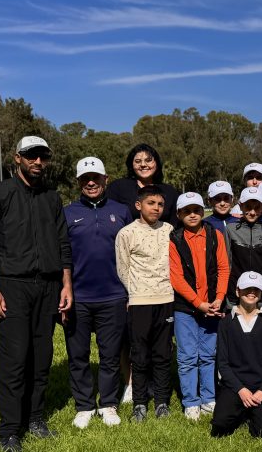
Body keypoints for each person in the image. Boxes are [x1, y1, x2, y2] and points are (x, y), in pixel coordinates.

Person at [0, 136, 73, 452]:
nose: (38, 162)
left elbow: (63, 245)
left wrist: (66, 285)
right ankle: (10, 431)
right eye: (31, 156)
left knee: (41, 359)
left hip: (48, 287)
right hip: (11, 286)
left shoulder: (52, 198)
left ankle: (35, 419)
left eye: (43, 156)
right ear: (17, 158)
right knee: (14, 361)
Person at [63, 156, 131, 429]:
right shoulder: (67, 213)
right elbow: (62, 255)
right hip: (78, 297)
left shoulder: (122, 211)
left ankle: (108, 403)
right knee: (78, 355)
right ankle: (84, 405)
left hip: (114, 295)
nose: (90, 183)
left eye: (95, 178)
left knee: (110, 355)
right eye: (85, 179)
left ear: (105, 179)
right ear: (78, 182)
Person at [115, 185, 174, 422]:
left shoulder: (168, 230)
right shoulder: (126, 233)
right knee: (139, 354)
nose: (156, 208)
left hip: (166, 298)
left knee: (163, 353)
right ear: (139, 205)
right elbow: (123, 268)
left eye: (160, 204)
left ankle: (161, 401)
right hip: (140, 301)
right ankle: (139, 403)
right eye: (151, 203)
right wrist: (135, 293)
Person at [169, 191, 230, 421]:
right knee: (187, 356)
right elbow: (176, 278)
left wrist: (219, 298)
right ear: (179, 214)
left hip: (213, 305)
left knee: (208, 355)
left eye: (196, 210)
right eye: (187, 211)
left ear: (203, 211)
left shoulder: (215, 235)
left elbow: (223, 268)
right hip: (186, 307)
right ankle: (190, 401)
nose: (192, 215)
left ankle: (208, 398)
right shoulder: (175, 239)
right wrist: (198, 303)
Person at [211, 272, 262, 438]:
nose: (251, 292)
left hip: (260, 386)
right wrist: (241, 390)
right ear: (237, 291)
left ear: (261, 293)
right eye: (247, 288)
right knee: (219, 428)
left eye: (256, 289)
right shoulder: (226, 323)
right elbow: (223, 363)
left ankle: (253, 412)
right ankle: (243, 412)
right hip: (235, 386)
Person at [224, 186, 262, 315]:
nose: (252, 212)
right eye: (248, 207)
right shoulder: (230, 230)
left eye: (257, 207)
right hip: (236, 295)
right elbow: (226, 264)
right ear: (240, 206)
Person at [106, 143, 179, 224]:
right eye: (138, 161)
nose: (143, 165)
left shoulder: (170, 191)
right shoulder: (118, 187)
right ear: (131, 164)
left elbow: (176, 223)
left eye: (148, 160)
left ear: (157, 163)